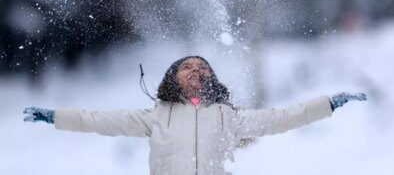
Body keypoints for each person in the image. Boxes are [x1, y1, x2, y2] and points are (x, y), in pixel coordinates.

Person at [23, 56, 367, 175]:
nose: (195, 70)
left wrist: (329, 104)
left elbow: (283, 117)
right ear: (173, 77)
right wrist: (54, 116)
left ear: (211, 79)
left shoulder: (229, 117)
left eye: (202, 67)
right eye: (187, 66)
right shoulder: (155, 116)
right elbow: (96, 119)